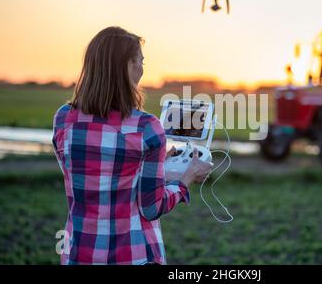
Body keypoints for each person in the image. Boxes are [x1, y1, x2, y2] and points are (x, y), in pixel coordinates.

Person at [52, 26, 213, 265]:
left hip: (78, 254)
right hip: (133, 255)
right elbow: (152, 207)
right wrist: (185, 179)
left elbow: (97, 173)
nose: (142, 69)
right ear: (128, 65)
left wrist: (156, 164)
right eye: (141, 61)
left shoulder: (64, 118)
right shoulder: (147, 128)